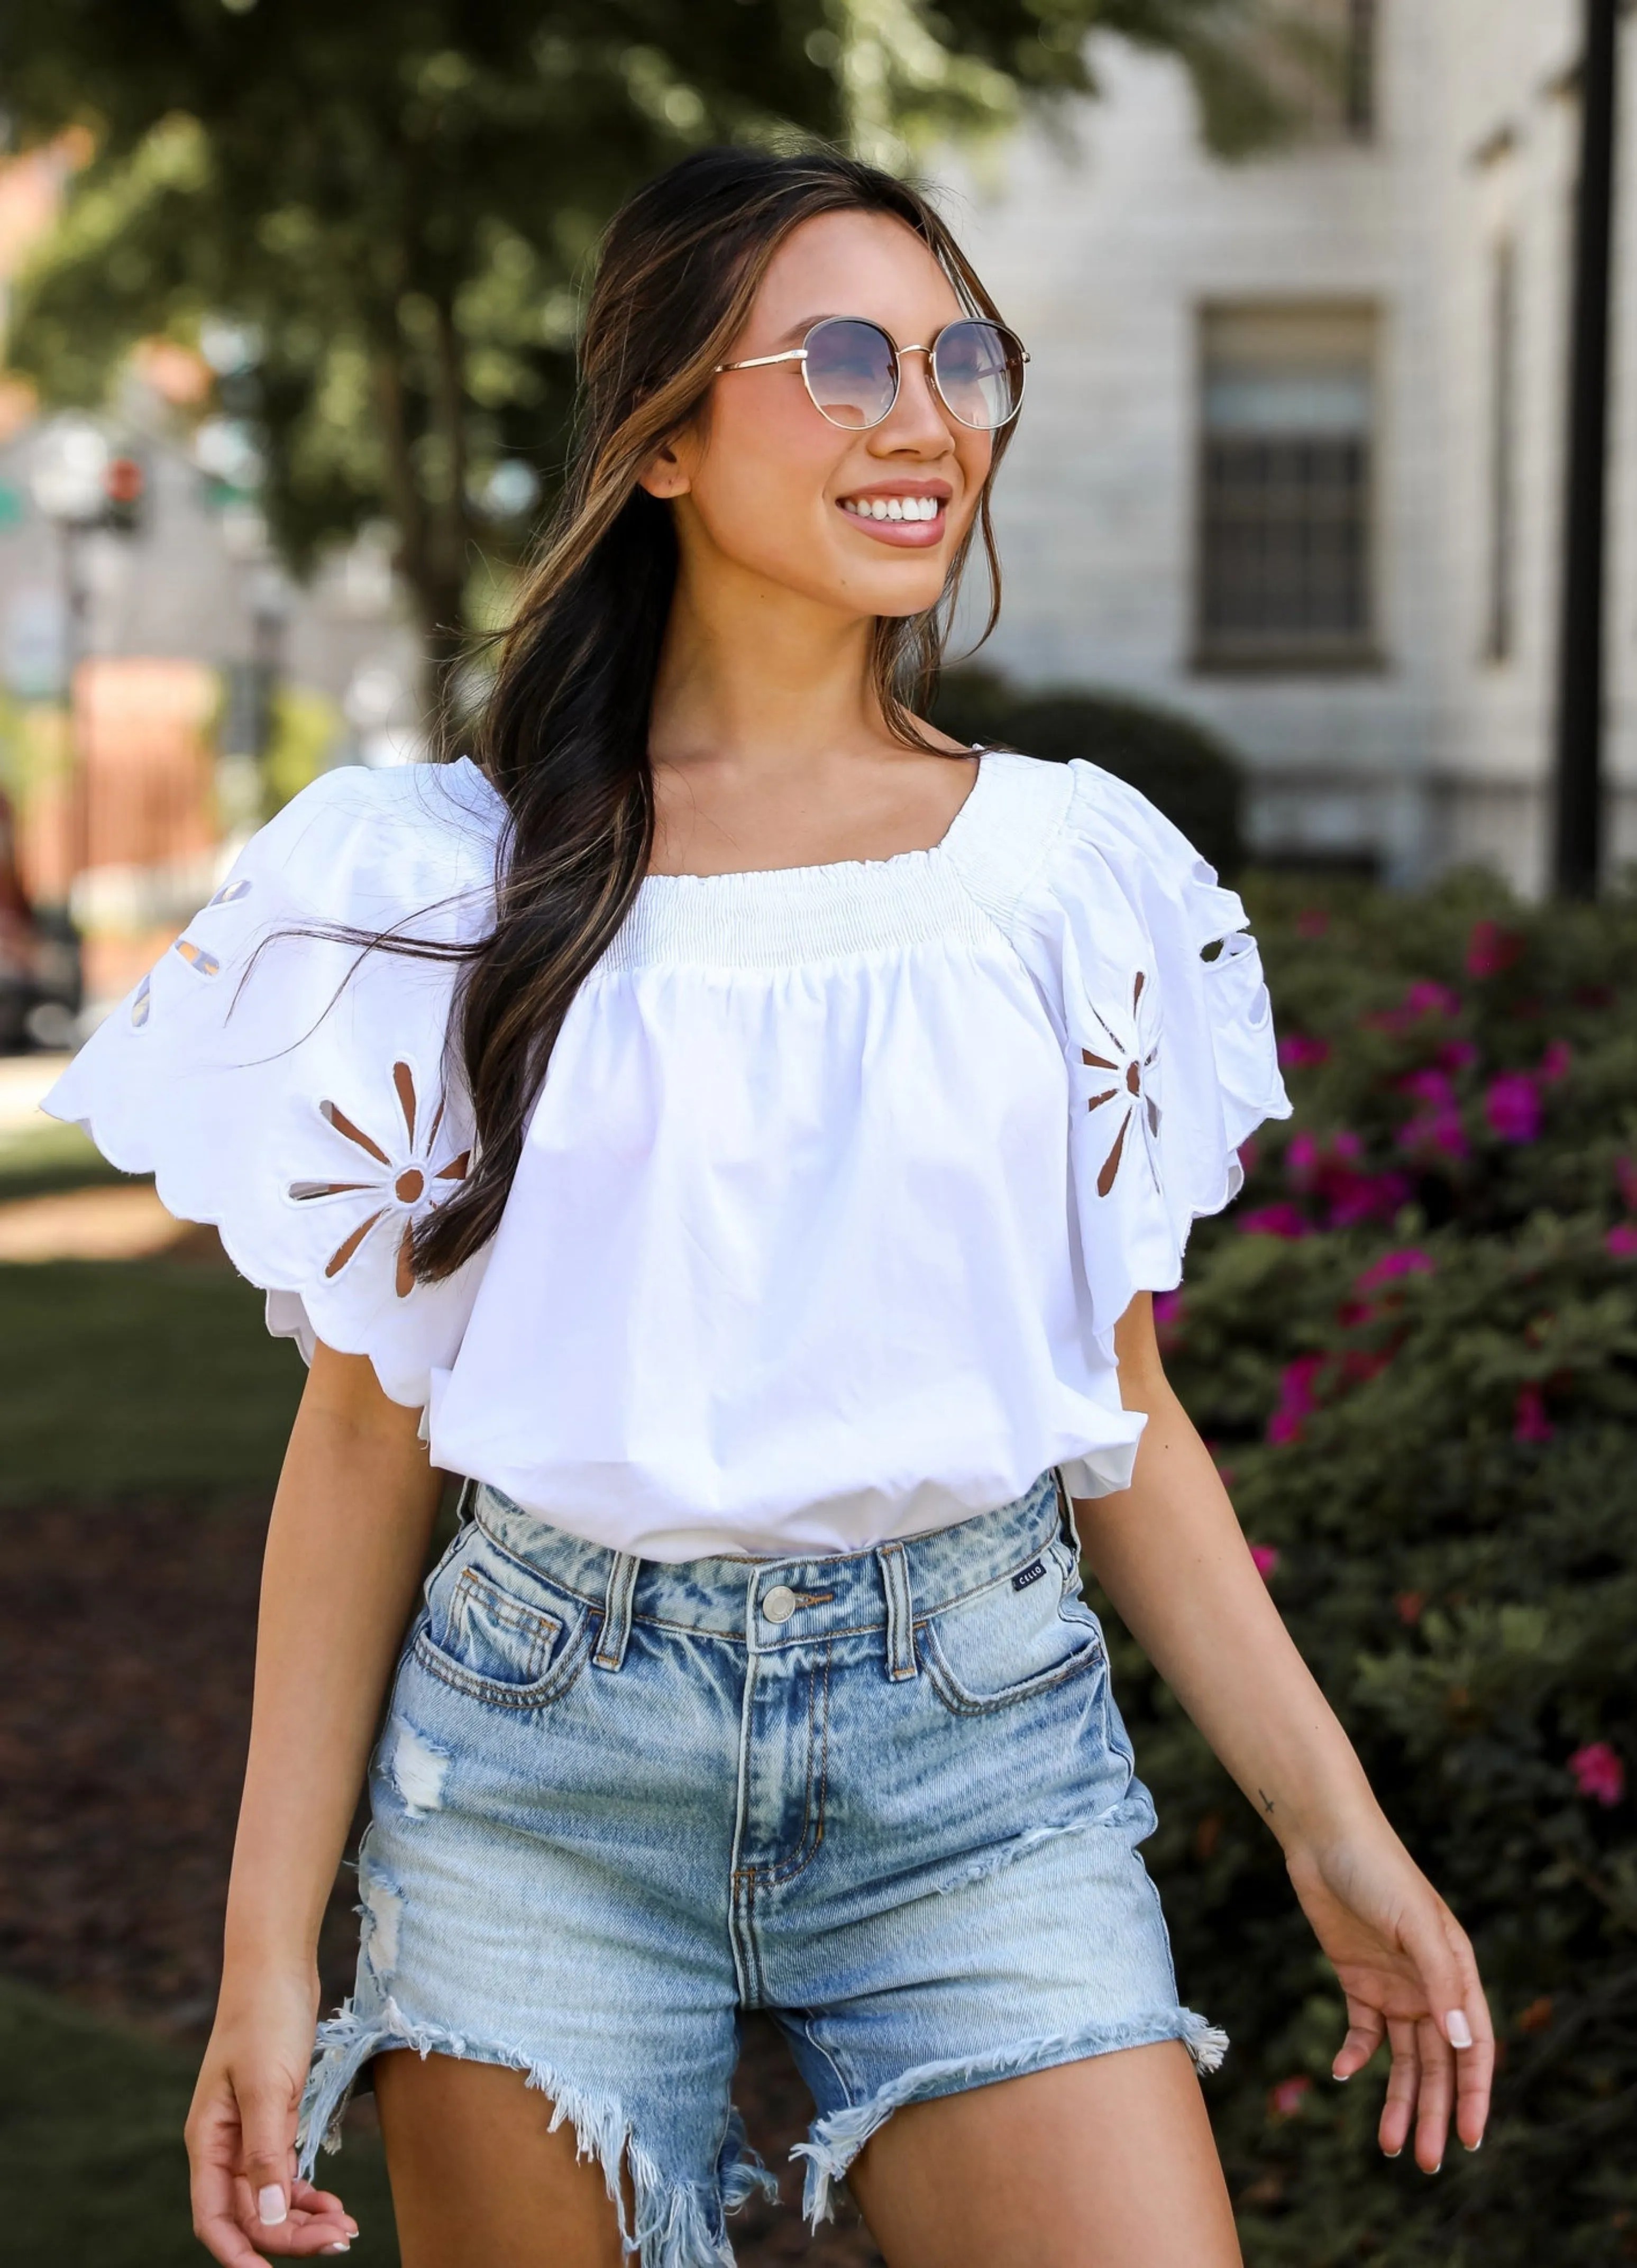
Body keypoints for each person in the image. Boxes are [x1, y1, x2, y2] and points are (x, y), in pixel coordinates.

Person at [48, 147, 1492, 2268]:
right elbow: (362, 1437)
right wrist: (268, 1958)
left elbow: (1119, 1418)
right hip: (539, 1768)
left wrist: (1331, 1830)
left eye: (957, 356)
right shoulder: (439, 887)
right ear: (657, 437)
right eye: (838, 359)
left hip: (975, 1764)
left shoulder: (1061, 880)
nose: (920, 416)